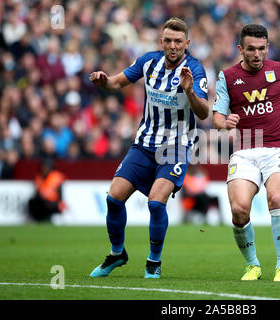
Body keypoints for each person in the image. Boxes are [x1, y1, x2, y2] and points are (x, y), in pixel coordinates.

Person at [89, 18, 209, 279]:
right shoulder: (148, 61)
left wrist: (189, 92)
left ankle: (153, 261)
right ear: (161, 42)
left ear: (186, 43)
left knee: (156, 202)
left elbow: (203, 113)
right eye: (168, 40)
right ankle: (117, 253)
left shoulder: (195, 70)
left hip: (175, 147)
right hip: (144, 144)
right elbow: (117, 82)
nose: (173, 46)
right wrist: (103, 81)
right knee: (113, 198)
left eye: (178, 41)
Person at [212, 24, 280, 282]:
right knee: (239, 209)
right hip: (244, 150)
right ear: (240, 49)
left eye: (262, 49)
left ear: (267, 48)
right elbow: (216, 117)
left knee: (275, 196)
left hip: (277, 147)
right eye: (251, 49)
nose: (257, 54)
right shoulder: (226, 77)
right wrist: (223, 122)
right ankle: (253, 265)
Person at [27, 158, 66, 222]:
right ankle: (36, 219)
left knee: (47, 204)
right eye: (44, 167)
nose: (45, 169)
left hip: (54, 202)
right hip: (43, 201)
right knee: (32, 202)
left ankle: (48, 218)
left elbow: (60, 195)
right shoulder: (39, 178)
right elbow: (38, 193)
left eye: (47, 167)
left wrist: (58, 202)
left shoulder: (56, 177)